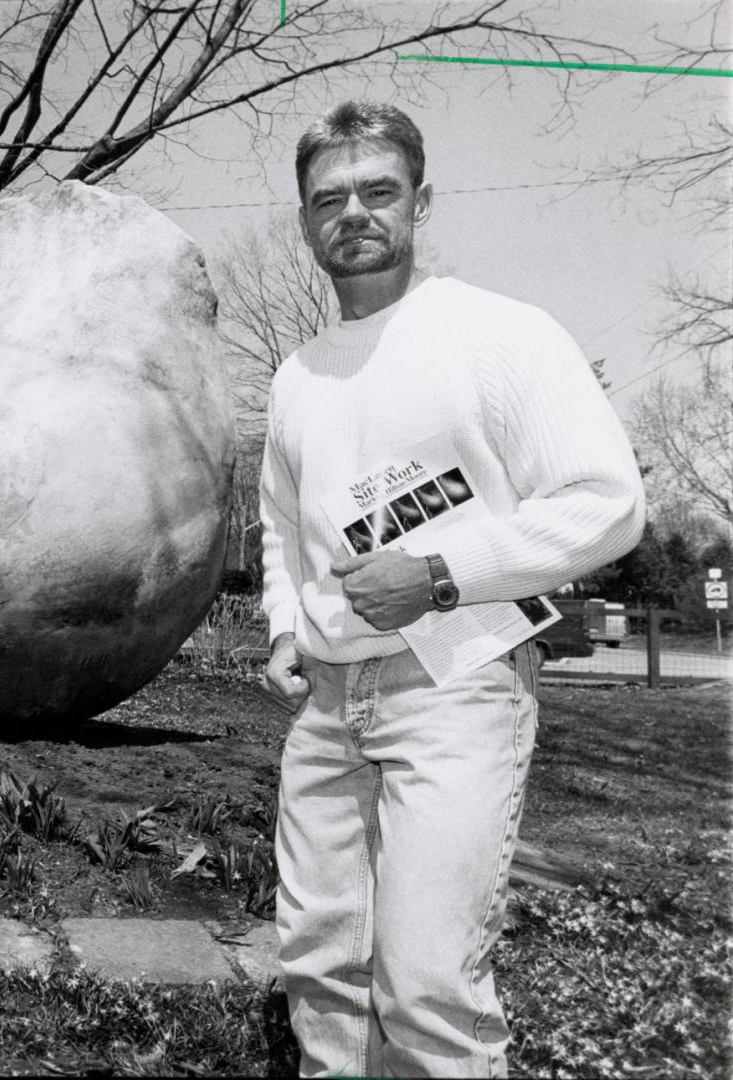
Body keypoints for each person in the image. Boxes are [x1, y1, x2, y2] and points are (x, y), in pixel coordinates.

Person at [258, 101, 645, 1077]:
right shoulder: (295, 377)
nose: (352, 213)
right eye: (327, 198)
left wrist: (436, 574)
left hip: (458, 688)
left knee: (426, 982)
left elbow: (605, 503)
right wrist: (281, 628)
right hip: (326, 706)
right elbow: (278, 525)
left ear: (419, 201)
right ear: (304, 220)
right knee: (318, 964)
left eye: (377, 191)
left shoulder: (495, 334)